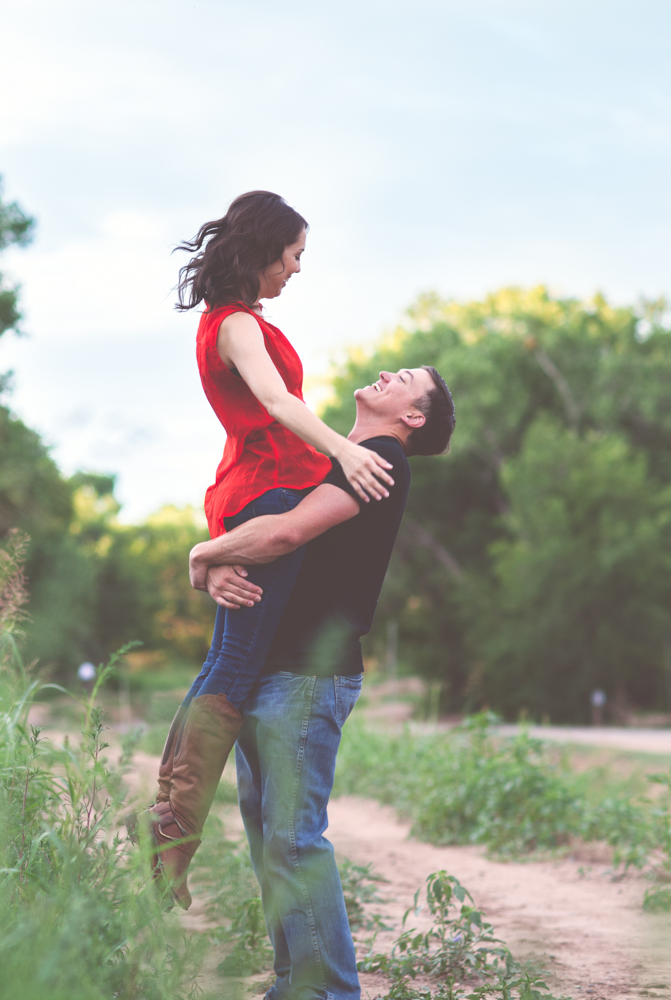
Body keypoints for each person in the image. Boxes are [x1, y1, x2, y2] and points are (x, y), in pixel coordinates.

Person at [140, 191, 395, 909]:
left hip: (252, 488)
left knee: (234, 657)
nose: (297, 269)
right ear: (262, 249)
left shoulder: (231, 322)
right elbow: (278, 404)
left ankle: (170, 823)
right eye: (294, 254)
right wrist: (347, 451)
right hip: (268, 492)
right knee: (236, 661)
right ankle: (172, 828)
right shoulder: (237, 326)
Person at [190, 364, 456, 1000]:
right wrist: (226, 563)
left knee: (293, 844)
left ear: (413, 417)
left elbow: (287, 532)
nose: (389, 371)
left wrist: (203, 556)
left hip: (308, 678)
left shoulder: (381, 459)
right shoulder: (348, 456)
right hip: (275, 671)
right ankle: (293, 988)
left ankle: (332, 993)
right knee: (271, 846)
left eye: (407, 378)